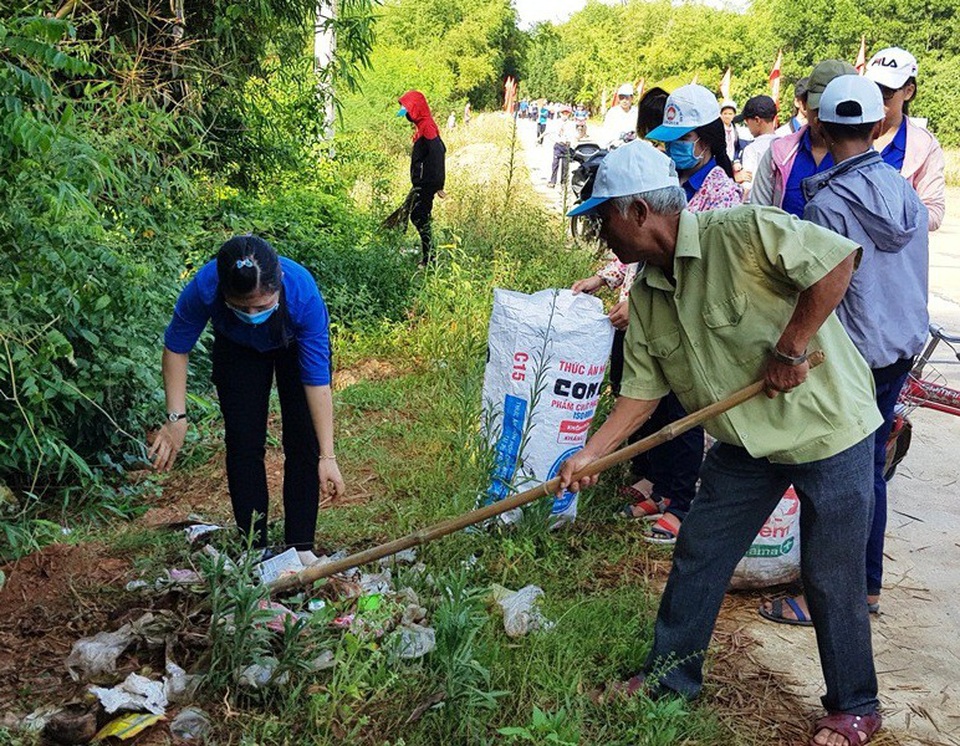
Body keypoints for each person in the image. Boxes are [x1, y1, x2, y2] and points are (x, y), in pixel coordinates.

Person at [561, 140, 884, 746]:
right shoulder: (648, 294)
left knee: (830, 570)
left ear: (637, 212)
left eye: (603, 218)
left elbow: (836, 262)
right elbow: (642, 391)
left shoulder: (742, 232)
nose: (600, 234)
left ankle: (854, 707)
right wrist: (593, 452)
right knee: (701, 549)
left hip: (829, 426)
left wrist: (792, 344)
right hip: (747, 443)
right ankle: (670, 678)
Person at [760, 75, 929, 631]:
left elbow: (820, 290)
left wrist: (791, 348)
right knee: (869, 472)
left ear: (819, 126)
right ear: (878, 125)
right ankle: (869, 586)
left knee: (836, 479)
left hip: (857, 353)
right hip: (902, 345)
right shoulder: (902, 190)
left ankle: (833, 594)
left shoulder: (829, 203)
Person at [574, 84, 742, 546]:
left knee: (683, 411)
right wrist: (608, 279)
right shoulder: (672, 185)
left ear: (705, 140)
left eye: (680, 138)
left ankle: (680, 499)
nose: (672, 147)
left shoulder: (723, 201)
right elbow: (639, 253)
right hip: (651, 314)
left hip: (689, 327)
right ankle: (659, 484)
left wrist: (790, 349)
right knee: (644, 396)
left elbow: (697, 270)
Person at [149, 235, 345, 566]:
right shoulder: (206, 286)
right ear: (224, 293)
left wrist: (328, 454)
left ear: (279, 283)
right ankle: (254, 548)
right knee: (243, 442)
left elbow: (317, 381)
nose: (253, 312)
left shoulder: (302, 294)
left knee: (302, 441)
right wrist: (176, 418)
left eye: (262, 305)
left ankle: (301, 546)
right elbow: (176, 347)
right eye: (242, 307)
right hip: (237, 348)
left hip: (292, 344)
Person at [750, 60, 856, 216]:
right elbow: (758, 218)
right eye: (820, 108)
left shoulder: (865, 163)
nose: (825, 117)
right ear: (805, 104)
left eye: (835, 110)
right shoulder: (778, 154)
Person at [865, 46, 946, 230]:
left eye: (886, 91)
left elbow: (934, 212)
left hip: (896, 254)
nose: (877, 97)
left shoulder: (924, 146)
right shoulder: (846, 131)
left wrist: (891, 215)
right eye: (872, 88)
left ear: (908, 91)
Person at [398, 90, 446, 265]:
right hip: (422, 183)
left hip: (427, 183)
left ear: (416, 109)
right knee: (414, 213)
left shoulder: (427, 126)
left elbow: (438, 152)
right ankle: (428, 255)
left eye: (408, 109)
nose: (406, 114)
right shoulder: (422, 126)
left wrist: (439, 184)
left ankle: (430, 258)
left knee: (419, 216)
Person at [734, 95, 779, 198]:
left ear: (757, 120)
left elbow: (747, 186)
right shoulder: (783, 144)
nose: (746, 124)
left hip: (759, 205)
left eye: (747, 121)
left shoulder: (752, 149)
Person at [547, 105, 575, 188]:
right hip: (558, 145)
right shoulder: (556, 123)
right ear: (560, 114)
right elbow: (551, 133)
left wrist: (571, 142)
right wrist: (557, 140)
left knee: (565, 165)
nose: (565, 115)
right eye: (563, 113)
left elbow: (573, 135)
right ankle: (553, 181)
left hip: (566, 146)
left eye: (567, 114)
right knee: (555, 164)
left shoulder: (571, 124)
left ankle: (563, 182)